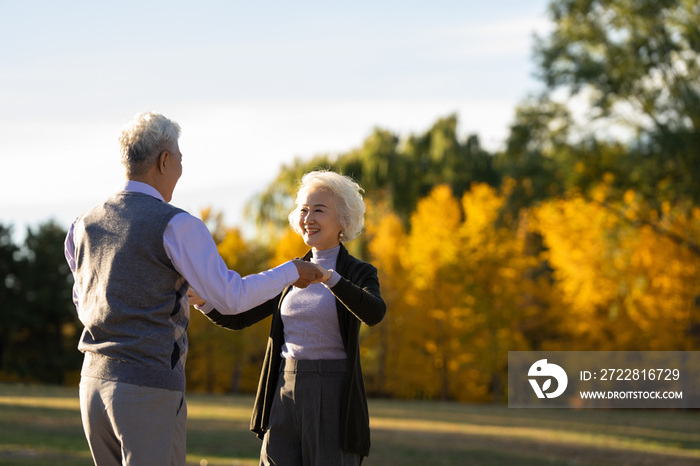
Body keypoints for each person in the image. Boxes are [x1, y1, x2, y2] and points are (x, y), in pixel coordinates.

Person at [64, 112, 323, 466]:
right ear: (164, 160)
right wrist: (292, 270)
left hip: (91, 383)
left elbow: (86, 303)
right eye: (180, 158)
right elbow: (232, 298)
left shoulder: (83, 223)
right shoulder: (176, 224)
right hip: (147, 387)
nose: (181, 168)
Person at [190, 170, 386, 465]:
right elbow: (239, 318)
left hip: (333, 393)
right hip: (283, 387)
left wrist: (329, 279)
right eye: (304, 210)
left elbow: (374, 312)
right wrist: (204, 302)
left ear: (343, 219)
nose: (308, 218)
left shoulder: (359, 273)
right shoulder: (291, 273)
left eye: (319, 210)